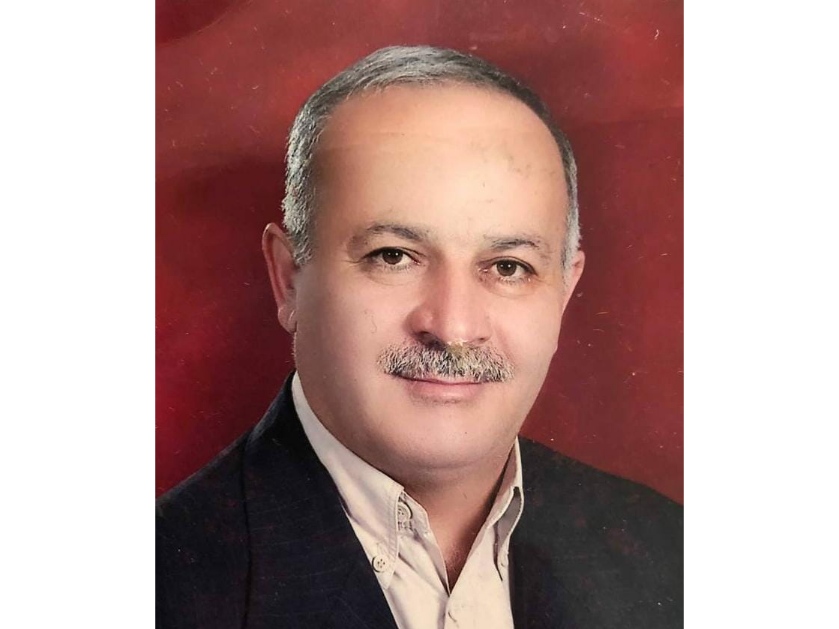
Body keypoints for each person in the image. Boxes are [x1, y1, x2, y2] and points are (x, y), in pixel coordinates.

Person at [156, 45, 683, 629]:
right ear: (288, 279)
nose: (453, 327)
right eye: (394, 256)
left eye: (508, 267)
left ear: (564, 290)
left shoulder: (671, 554)